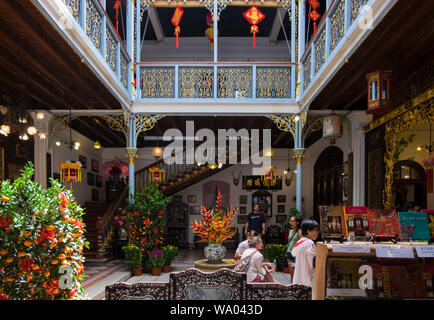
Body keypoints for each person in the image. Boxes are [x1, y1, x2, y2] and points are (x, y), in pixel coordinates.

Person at [291, 219, 319, 290]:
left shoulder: (300, 241)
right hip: (308, 278)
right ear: (308, 231)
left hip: (298, 277)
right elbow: (312, 263)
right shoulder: (310, 243)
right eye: (315, 230)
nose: (317, 232)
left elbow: (293, 253)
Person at [286, 215, 302, 282]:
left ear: (297, 222)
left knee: (296, 272)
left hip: (296, 254)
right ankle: (292, 285)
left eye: (293, 221)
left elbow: (302, 242)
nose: (291, 222)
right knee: (291, 272)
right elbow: (289, 242)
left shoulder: (300, 232)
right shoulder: (290, 231)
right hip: (289, 253)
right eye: (290, 221)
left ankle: (296, 285)